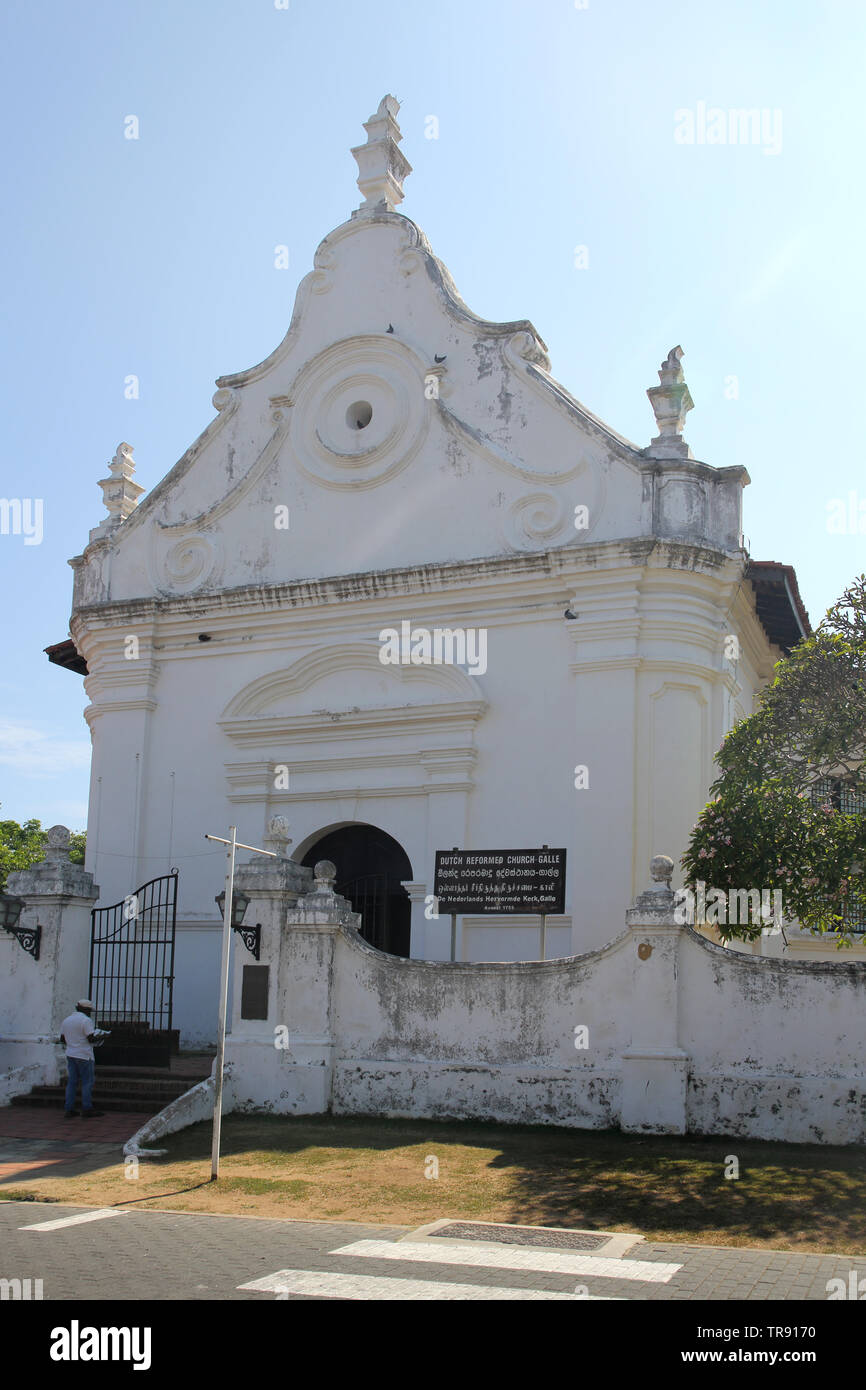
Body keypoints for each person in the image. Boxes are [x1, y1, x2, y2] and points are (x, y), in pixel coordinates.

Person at [59, 999, 105, 1119]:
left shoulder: (66, 1020)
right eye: (89, 1010)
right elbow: (90, 1038)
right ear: (85, 1009)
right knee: (87, 1082)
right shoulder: (86, 1020)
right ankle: (87, 1108)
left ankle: (69, 1109)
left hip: (71, 1054)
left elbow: (62, 1039)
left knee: (72, 1082)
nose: (90, 1012)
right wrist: (102, 1037)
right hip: (84, 1055)